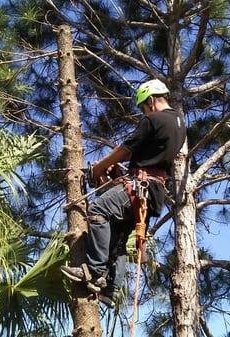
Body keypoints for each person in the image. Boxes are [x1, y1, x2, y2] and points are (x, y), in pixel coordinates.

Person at [61, 79, 186, 307]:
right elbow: (147, 155)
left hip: (140, 186)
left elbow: (126, 149)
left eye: (143, 107)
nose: (143, 111)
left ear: (150, 100)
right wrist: (121, 169)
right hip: (153, 192)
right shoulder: (179, 124)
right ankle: (110, 288)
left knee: (98, 209)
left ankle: (94, 270)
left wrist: (99, 167)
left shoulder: (153, 119)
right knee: (118, 235)